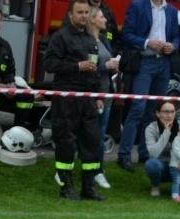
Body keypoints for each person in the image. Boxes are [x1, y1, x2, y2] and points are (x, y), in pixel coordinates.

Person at [44, 0, 105, 201]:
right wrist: (77, 66)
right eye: (79, 12)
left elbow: (94, 70)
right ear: (70, 14)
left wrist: (97, 96)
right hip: (66, 96)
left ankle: (88, 187)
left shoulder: (90, 39)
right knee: (66, 142)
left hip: (87, 98)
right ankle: (66, 187)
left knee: (92, 141)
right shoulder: (60, 37)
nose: (83, 16)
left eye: (87, 12)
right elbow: (50, 63)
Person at [117, 0, 180, 172]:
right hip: (144, 62)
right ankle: (124, 155)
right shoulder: (137, 6)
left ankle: (144, 154)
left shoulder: (172, 11)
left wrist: (173, 46)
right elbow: (126, 34)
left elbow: (176, 37)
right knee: (138, 107)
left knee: (154, 111)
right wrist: (147, 42)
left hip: (164, 64)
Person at [87, 5, 120, 190]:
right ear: (93, 20)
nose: (106, 20)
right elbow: (88, 67)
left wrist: (113, 66)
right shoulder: (85, 41)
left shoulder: (104, 40)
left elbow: (106, 63)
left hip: (106, 93)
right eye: (101, 17)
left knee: (100, 135)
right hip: (92, 94)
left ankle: (98, 171)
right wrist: (105, 66)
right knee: (85, 134)